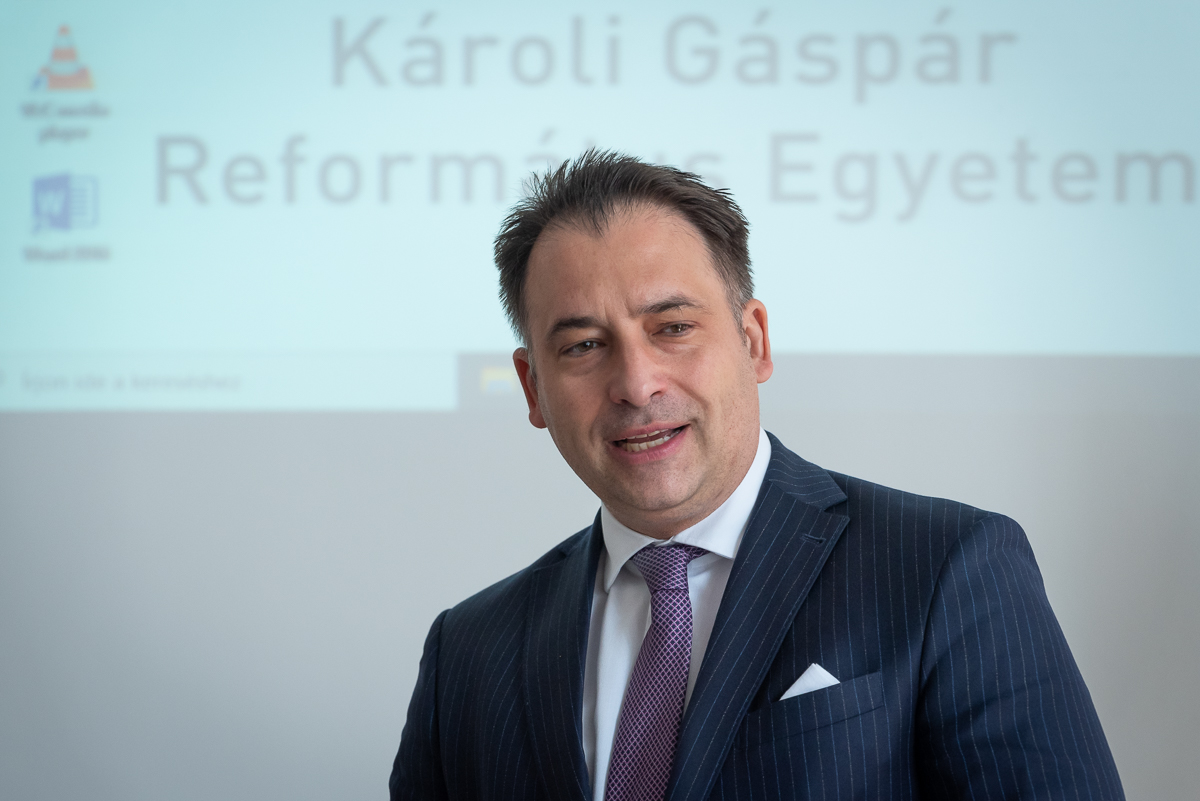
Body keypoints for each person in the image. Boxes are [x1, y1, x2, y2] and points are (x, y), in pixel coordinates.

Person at [390, 151, 1124, 800]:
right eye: (584, 345)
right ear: (532, 389)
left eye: (673, 327)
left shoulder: (946, 569)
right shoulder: (468, 652)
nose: (637, 383)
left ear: (753, 341)